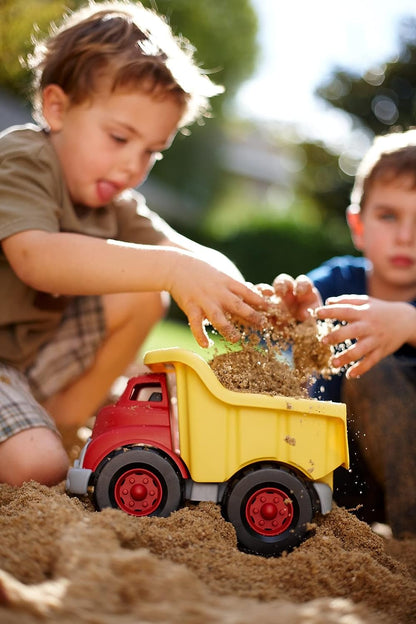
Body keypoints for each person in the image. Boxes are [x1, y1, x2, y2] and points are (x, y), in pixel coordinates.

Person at [0, 1, 269, 488]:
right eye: (119, 137)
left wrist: (257, 298)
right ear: (57, 108)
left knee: (145, 293)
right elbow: (37, 258)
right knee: (33, 468)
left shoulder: (114, 202)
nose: (131, 167)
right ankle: (39, 448)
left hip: (22, 364)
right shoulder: (22, 159)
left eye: (150, 151)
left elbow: (190, 255)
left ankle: (60, 428)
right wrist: (168, 267)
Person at [273, 129, 416, 538]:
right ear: (359, 224)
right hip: (340, 478)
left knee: (374, 369)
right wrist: (297, 314)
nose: (406, 236)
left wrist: (406, 321)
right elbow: (296, 320)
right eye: (389, 216)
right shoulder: (340, 280)